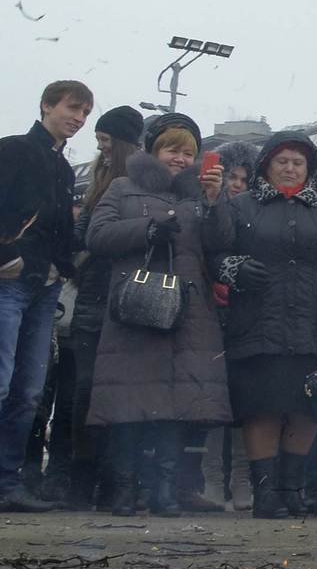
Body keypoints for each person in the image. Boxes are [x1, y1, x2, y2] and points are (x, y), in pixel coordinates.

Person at [83, 113, 232, 516]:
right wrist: (148, 229)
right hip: (137, 309)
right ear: (153, 149)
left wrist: (217, 203)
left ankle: (164, 490)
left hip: (187, 312)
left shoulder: (200, 196)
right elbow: (96, 236)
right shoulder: (122, 187)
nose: (181, 159)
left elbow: (222, 245)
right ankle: (123, 490)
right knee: (129, 406)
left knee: (174, 407)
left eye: (189, 152)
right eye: (172, 149)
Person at [200, 131, 317, 518]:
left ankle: (291, 489)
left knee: (306, 407)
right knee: (262, 407)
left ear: (310, 168)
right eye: (282, 161)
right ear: (267, 165)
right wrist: (235, 269)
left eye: (298, 162)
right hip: (257, 321)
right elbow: (215, 252)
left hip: (310, 321)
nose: (290, 168)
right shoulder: (242, 205)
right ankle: (265, 494)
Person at [0, 80, 93, 512]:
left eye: (84, 113)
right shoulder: (10, 149)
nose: (78, 119)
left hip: (43, 287)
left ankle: (5, 482)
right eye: (72, 109)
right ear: (46, 105)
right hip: (3, 282)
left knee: (28, 389)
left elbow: (59, 229)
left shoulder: (62, 168)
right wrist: (2, 255)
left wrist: (61, 266)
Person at [59, 103, 141, 509]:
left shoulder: (134, 181)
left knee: (111, 390)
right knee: (85, 387)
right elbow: (86, 230)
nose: (101, 147)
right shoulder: (99, 177)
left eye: (106, 140)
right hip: (94, 293)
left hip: (124, 295)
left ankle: (111, 478)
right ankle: (83, 475)